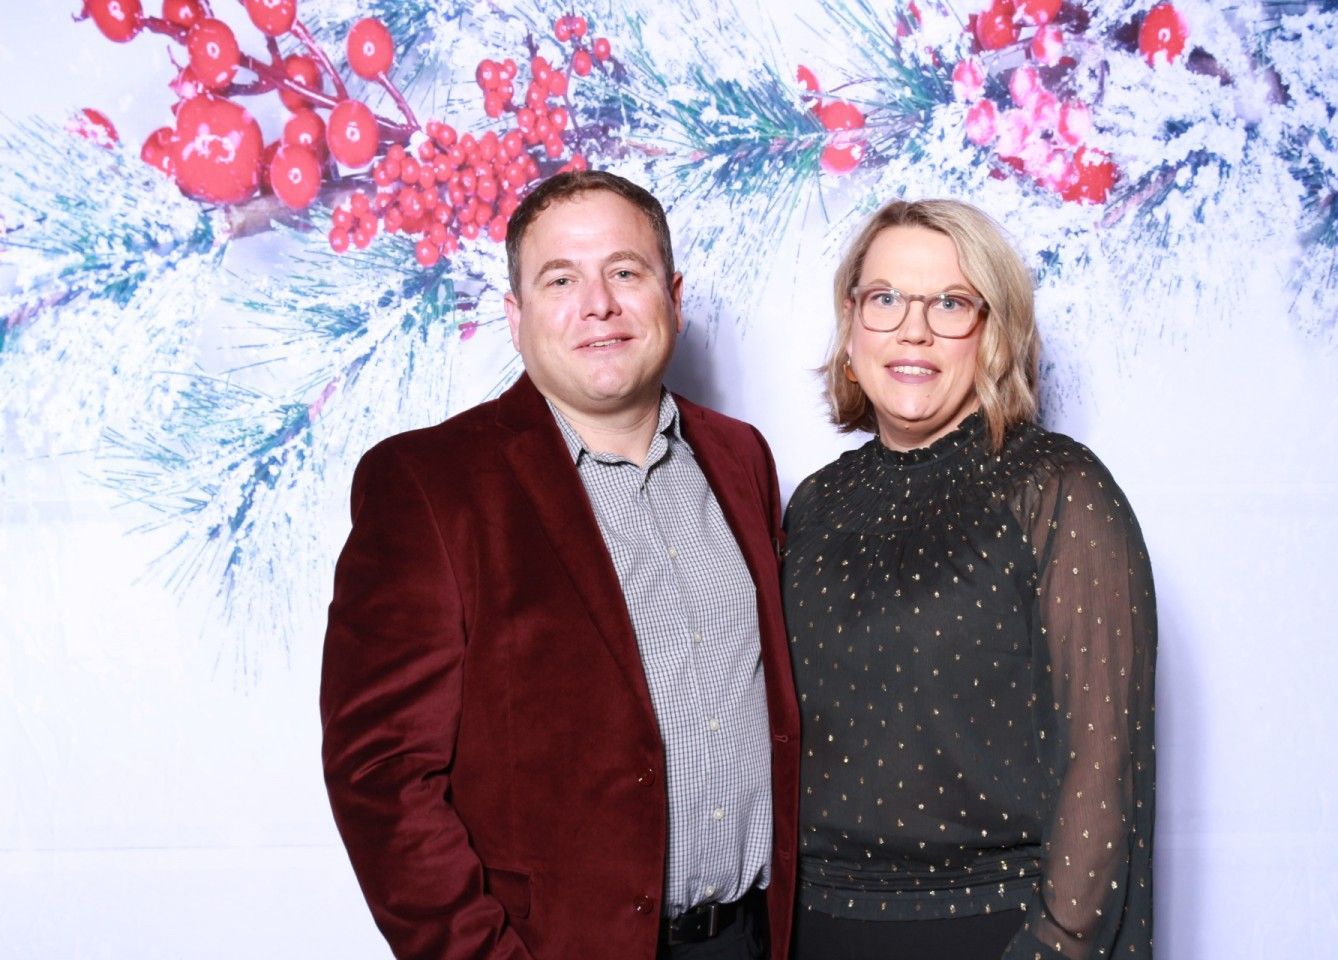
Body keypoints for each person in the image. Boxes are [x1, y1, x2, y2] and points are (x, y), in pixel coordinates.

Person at [320, 170, 800, 960]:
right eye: (561, 279)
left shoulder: (740, 456)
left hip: (752, 939)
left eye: (624, 271)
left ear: (672, 296)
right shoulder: (429, 485)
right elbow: (381, 776)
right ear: (516, 316)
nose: (599, 305)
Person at [783, 199, 1156, 960]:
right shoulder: (815, 502)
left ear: (994, 331)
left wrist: (1056, 944)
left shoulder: (1058, 489)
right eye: (886, 299)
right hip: (815, 927)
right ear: (852, 325)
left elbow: (1104, 763)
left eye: (950, 303)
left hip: (994, 927)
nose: (913, 329)